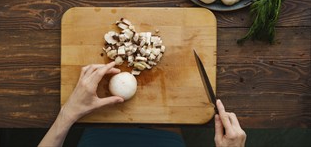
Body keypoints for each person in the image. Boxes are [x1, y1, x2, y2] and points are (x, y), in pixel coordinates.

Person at [39, 62, 246, 147]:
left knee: (108, 118)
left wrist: (68, 114)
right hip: (164, 140)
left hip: (101, 139)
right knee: (165, 121)